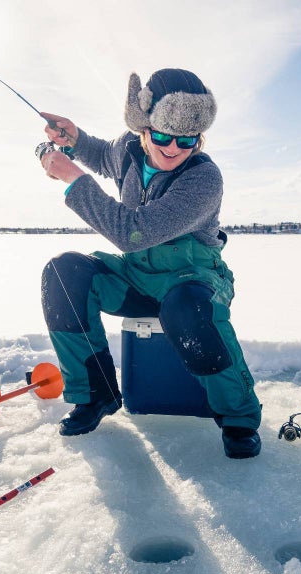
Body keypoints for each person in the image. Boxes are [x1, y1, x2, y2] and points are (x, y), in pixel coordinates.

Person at [36, 68, 262, 458]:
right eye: (162, 136)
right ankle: (96, 394)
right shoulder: (128, 148)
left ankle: (239, 416)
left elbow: (132, 233)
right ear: (144, 128)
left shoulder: (204, 179)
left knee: (186, 306)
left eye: (187, 140)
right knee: (64, 271)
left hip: (196, 279)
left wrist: (73, 180)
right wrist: (74, 139)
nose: (173, 148)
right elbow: (102, 156)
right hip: (138, 276)